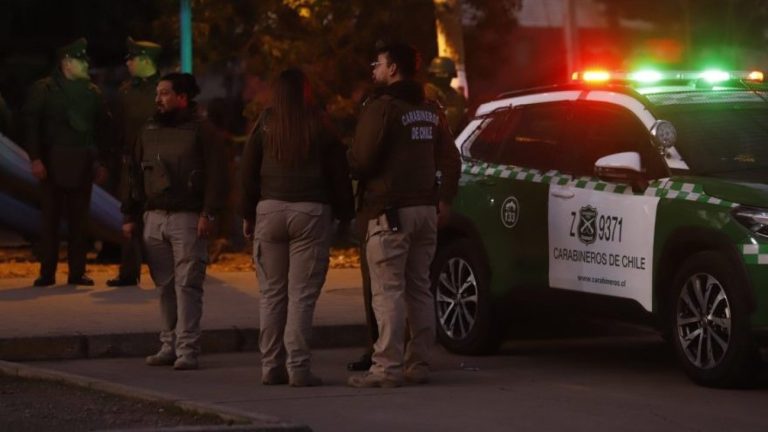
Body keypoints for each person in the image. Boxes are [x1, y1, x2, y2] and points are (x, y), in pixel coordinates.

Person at [346, 43, 460, 387]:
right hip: (425, 210)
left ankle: (386, 369)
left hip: (389, 212)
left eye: (377, 63)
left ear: (393, 68)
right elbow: (451, 159)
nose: (373, 70)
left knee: (388, 291)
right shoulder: (431, 108)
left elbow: (362, 160)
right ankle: (419, 363)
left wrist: (346, 160)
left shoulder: (383, 107)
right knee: (420, 289)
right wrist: (444, 199)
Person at [241, 68, 354, 387]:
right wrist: (345, 215)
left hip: (270, 210)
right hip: (311, 212)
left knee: (272, 295)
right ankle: (299, 369)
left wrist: (247, 213)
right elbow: (338, 173)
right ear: (306, 91)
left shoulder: (265, 122)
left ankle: (270, 366)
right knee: (302, 296)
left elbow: (248, 171)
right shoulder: (320, 124)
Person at [122, 72, 226, 370]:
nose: (158, 99)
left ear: (182, 97)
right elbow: (134, 174)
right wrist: (129, 214)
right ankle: (169, 345)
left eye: (165, 93)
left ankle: (188, 349)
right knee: (165, 286)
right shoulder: (149, 129)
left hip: (188, 218)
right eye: (158, 93)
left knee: (188, 286)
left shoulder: (202, 131)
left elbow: (217, 176)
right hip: (154, 217)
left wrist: (208, 213)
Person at [22, 38, 110, 287]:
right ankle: (47, 272)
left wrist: (101, 162)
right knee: (49, 222)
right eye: (80, 60)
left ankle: (77, 272)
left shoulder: (92, 93)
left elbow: (102, 130)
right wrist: (35, 158)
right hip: (51, 163)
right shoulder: (44, 89)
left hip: (82, 163)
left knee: (79, 222)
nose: (86, 64)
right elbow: (32, 126)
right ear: (66, 63)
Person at [107, 37, 163, 287]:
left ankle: (160, 270)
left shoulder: (163, 90)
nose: (128, 62)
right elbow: (116, 128)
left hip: (159, 163)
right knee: (129, 215)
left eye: (132, 58)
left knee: (157, 218)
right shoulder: (125, 91)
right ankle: (128, 272)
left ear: (146, 60)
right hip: (131, 163)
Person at [424, 56, 467, 135]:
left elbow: (464, 121)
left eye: (448, 75)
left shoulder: (458, 96)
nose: (447, 79)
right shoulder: (426, 93)